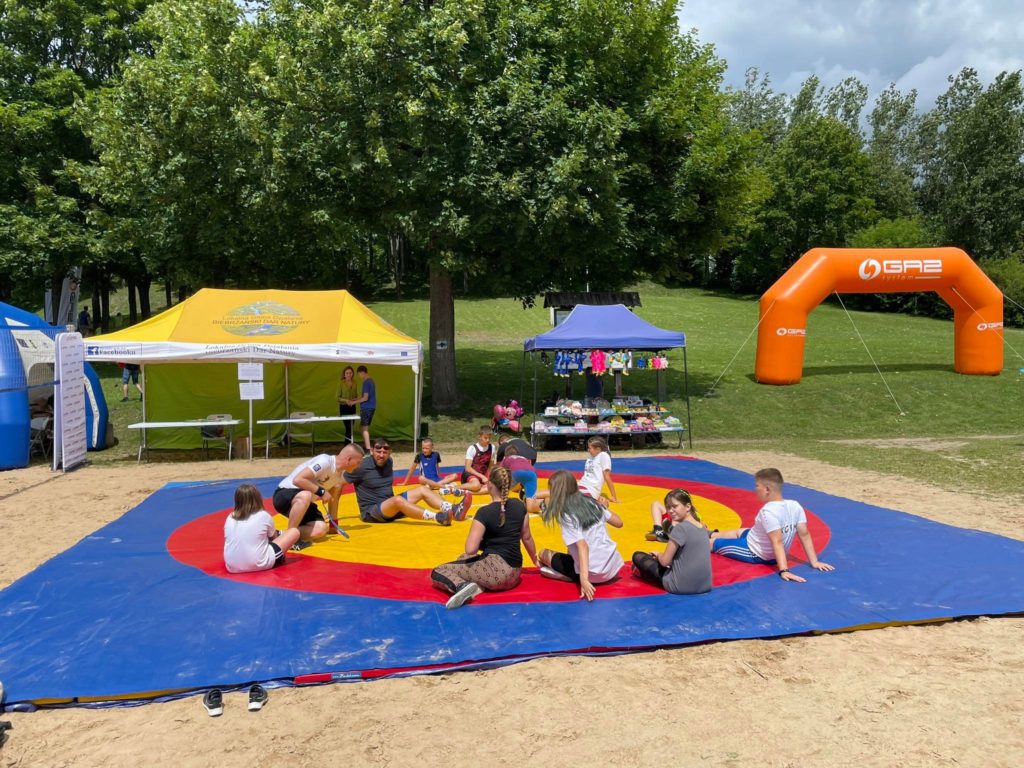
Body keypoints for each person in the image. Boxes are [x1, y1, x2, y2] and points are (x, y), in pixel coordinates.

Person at [430, 467, 540, 609]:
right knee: (463, 558)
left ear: (490, 485)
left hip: (496, 575)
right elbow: (527, 537)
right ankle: (477, 584)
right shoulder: (520, 506)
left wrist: (482, 537)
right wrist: (535, 560)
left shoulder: (484, 513)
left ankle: (462, 586)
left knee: (439, 570)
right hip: (515, 573)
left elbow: (471, 549)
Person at [710, 468, 835, 583]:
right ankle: (710, 533)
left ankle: (706, 538)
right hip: (760, 542)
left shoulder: (768, 512)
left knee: (712, 543)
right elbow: (805, 534)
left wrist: (784, 570)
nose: (755, 489)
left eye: (757, 486)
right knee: (740, 532)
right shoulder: (795, 505)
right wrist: (814, 562)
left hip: (755, 553)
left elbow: (777, 541)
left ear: (767, 489)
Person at [536, 469, 624, 601]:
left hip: (595, 574)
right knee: (572, 546)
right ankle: (575, 573)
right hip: (613, 567)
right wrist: (604, 508)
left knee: (543, 554)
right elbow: (619, 523)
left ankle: (570, 576)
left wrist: (584, 579)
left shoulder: (567, 514)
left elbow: (583, 546)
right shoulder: (592, 502)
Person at [346, 438, 471, 525]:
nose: (382, 455)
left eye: (385, 452)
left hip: (391, 508)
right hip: (372, 513)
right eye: (378, 452)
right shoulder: (360, 466)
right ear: (371, 451)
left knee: (423, 489)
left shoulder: (389, 462)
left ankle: (453, 509)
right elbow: (338, 484)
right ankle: (438, 517)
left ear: (390, 452)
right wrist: (335, 519)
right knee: (397, 500)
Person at [272, 444, 366, 546]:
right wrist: (322, 492)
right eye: (358, 462)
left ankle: (281, 534)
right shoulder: (325, 461)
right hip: (285, 494)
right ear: (348, 459)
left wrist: (333, 525)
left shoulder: (338, 476)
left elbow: (333, 499)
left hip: (304, 503)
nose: (359, 466)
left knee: (321, 529)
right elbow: (298, 480)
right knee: (306, 495)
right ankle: (290, 540)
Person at [631, 489, 712, 595]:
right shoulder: (703, 528)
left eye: (675, 506)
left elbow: (665, 562)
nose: (671, 511)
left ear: (688, 507)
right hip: (705, 585)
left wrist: (659, 555)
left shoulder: (680, 529)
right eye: (668, 507)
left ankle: (642, 572)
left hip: (680, 586)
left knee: (638, 556)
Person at [224, 483, 301, 573]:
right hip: (259, 563)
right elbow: (274, 538)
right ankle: (278, 556)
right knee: (294, 532)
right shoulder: (263, 515)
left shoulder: (230, 517)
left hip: (232, 567)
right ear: (257, 498)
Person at [345, 365, 376, 450]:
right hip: (370, 407)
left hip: (367, 408)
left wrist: (353, 402)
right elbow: (364, 396)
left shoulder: (366, 382)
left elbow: (365, 398)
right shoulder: (371, 381)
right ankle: (366, 445)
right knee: (362, 427)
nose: (359, 376)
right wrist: (355, 399)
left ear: (362, 372)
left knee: (364, 428)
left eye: (359, 374)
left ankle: (368, 448)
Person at [579, 437, 618, 502]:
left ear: (598, 449)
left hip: (591, 488)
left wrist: (614, 497)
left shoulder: (603, 455)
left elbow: (607, 476)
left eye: (590, 448)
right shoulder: (590, 457)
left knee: (571, 498)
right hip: (582, 485)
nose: (588, 450)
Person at [461, 426, 495, 493]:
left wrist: (489, 478)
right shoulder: (472, 448)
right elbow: (467, 468)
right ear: (480, 437)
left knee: (492, 487)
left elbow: (490, 467)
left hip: (482, 477)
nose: (488, 440)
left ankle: (467, 492)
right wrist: (482, 476)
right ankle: (453, 488)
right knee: (476, 485)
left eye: (489, 438)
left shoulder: (492, 447)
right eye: (485, 438)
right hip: (470, 475)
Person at [336, 365, 359, 443]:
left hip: (352, 407)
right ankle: (348, 445)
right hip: (344, 407)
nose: (349, 375)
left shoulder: (355, 382)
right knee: (348, 427)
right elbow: (337, 397)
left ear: (353, 373)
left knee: (351, 427)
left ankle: (349, 445)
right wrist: (346, 400)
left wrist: (355, 399)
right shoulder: (341, 383)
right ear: (344, 374)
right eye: (347, 373)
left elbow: (356, 395)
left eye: (350, 373)